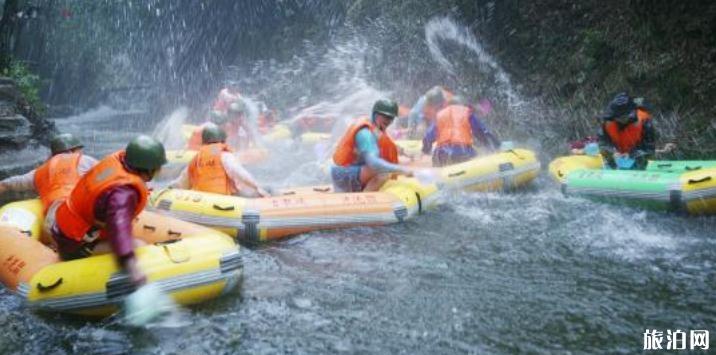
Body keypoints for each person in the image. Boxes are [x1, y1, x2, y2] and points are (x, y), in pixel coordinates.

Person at [51, 135, 167, 287]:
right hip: (73, 244)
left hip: (62, 230)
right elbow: (118, 227)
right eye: (158, 167)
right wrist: (131, 265)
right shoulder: (124, 193)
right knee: (140, 246)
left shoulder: (118, 162)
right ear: (149, 168)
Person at [0, 133, 98, 236]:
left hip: (53, 223)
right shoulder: (84, 160)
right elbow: (110, 175)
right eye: (79, 150)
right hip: (79, 215)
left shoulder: (39, 171)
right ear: (73, 150)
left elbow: (5, 184)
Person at [331, 99, 416, 192]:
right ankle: (364, 200)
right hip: (342, 175)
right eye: (385, 116)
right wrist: (401, 170)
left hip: (353, 172)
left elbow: (389, 146)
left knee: (385, 170)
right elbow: (374, 163)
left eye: (391, 117)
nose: (388, 120)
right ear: (375, 114)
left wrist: (406, 153)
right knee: (382, 172)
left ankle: (363, 191)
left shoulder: (376, 129)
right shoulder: (365, 134)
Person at [170, 123, 269, 197]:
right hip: (222, 200)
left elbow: (182, 181)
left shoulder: (197, 158)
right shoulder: (225, 155)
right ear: (222, 140)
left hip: (201, 200)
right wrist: (257, 187)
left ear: (204, 141)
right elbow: (239, 173)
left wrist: (170, 189)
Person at [421, 96, 500, 167]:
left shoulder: (440, 115)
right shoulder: (467, 113)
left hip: (442, 155)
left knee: (437, 158)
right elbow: (482, 133)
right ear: (463, 105)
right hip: (463, 153)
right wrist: (495, 146)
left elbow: (427, 138)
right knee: (476, 155)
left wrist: (426, 150)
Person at [597, 92, 656, 170]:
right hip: (614, 163)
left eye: (623, 116)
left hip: (639, 161)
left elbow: (649, 148)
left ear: (631, 113)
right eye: (617, 117)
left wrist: (631, 155)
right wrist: (613, 152)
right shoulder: (608, 121)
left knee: (641, 163)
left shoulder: (644, 121)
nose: (620, 119)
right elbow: (603, 143)